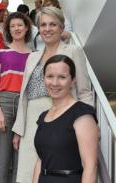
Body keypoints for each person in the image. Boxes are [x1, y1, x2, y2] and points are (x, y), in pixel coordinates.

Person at [12, 7, 93, 183]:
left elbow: (84, 91)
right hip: (31, 122)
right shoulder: (32, 57)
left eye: (52, 24)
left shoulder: (73, 51)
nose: (47, 29)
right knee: (27, 174)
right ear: (38, 29)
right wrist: (18, 130)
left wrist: (91, 121)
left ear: (61, 27)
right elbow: (24, 96)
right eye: (43, 25)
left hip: (62, 122)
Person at [33, 54, 98, 183]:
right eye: (50, 76)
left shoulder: (82, 113)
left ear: (73, 80)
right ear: (44, 79)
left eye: (62, 77)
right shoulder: (43, 116)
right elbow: (41, 160)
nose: (55, 83)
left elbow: (91, 167)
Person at [0, 12, 32, 183]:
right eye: (12, 26)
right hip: (4, 103)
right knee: (1, 158)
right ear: (8, 29)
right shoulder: (1, 53)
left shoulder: (35, 55)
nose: (16, 28)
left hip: (26, 104)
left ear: (27, 27)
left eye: (19, 25)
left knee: (21, 157)